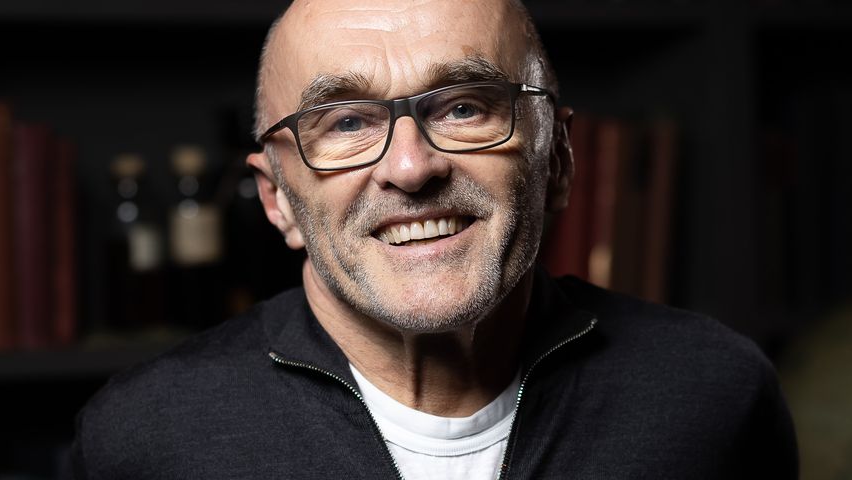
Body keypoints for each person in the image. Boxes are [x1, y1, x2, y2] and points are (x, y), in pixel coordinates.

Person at [69, 0, 798, 478]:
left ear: (557, 161)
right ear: (277, 199)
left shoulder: (714, 395)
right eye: (346, 122)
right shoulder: (143, 440)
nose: (411, 167)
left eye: (465, 108)